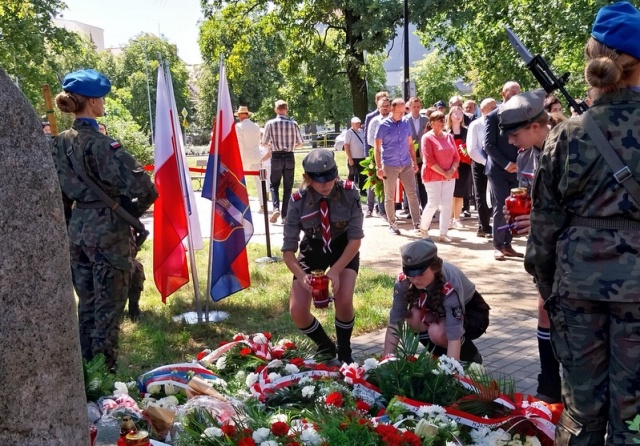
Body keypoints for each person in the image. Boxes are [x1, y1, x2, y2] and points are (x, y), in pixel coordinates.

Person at [525, 3, 640, 442]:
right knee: (635, 418)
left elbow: (542, 235)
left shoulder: (568, 133)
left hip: (576, 291)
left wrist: (550, 291)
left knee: (581, 415)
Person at [51, 69, 157, 372]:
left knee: (86, 306)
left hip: (77, 231)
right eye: (102, 99)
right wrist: (128, 216)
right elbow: (146, 189)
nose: (103, 103)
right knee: (109, 309)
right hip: (109, 233)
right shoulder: (103, 144)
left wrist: (74, 223)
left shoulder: (58, 143)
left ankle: (82, 374)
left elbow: (58, 196)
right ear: (93, 101)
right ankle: (105, 381)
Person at [497, 89, 561, 404]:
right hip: (542, 250)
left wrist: (536, 219)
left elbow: (575, 206)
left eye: (515, 133)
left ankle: (564, 384)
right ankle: (549, 382)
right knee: (544, 311)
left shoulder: (565, 148)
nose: (510, 141)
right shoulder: (526, 153)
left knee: (560, 314)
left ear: (537, 126)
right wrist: (518, 212)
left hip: (569, 248)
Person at [282, 149, 364, 364]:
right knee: (297, 310)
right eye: (318, 180)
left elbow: (355, 239)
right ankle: (326, 346)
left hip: (343, 247)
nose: (325, 184)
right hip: (313, 249)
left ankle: (345, 351)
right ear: (307, 178)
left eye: (330, 178)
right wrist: (301, 276)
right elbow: (288, 251)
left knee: (344, 299)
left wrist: (336, 271)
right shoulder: (297, 201)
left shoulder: (349, 192)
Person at [383, 239, 489, 363]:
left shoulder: (449, 283)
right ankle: (440, 357)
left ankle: (471, 358)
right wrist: (386, 361)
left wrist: (451, 370)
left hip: (472, 313)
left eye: (421, 274)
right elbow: (395, 323)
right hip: (438, 312)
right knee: (413, 317)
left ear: (434, 267)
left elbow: (454, 332)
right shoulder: (403, 282)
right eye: (410, 273)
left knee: (437, 332)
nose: (415, 280)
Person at [484, 81, 523, 260]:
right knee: (501, 205)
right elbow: (489, 145)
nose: (515, 94)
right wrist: (507, 164)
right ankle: (497, 245)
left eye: (518, 92)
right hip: (498, 170)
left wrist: (520, 163)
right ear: (503, 94)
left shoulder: (523, 115)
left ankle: (508, 244)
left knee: (515, 206)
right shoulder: (493, 117)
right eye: (512, 91)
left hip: (518, 168)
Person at [419, 111, 459, 242]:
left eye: (443, 119)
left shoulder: (449, 136)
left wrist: (451, 170)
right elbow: (429, 160)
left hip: (450, 175)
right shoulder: (427, 138)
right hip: (432, 175)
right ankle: (423, 228)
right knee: (434, 203)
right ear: (432, 123)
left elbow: (456, 157)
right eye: (439, 120)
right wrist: (444, 173)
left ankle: (443, 233)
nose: (442, 122)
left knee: (447, 204)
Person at [261, 99, 303, 224]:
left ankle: (275, 208)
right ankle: (285, 215)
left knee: (274, 185)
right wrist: (291, 146)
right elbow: (300, 143)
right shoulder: (293, 124)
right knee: (288, 186)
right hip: (289, 156)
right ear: (286, 110)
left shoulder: (270, 123)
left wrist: (271, 146)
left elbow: (264, 142)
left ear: (276, 110)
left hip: (276, 156)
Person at [467, 98, 497, 238]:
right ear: (483, 110)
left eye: (495, 107)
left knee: (495, 195)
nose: (494, 110)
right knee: (481, 195)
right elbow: (472, 149)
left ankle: (490, 224)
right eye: (490, 108)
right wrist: (486, 162)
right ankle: (484, 226)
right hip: (480, 163)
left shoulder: (498, 123)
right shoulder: (475, 125)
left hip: (497, 164)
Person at [235, 106, 265, 212]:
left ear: (241, 115)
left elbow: (240, 143)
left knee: (240, 181)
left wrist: (240, 158)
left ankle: (241, 204)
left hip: (245, 156)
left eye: (239, 115)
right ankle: (262, 204)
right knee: (259, 182)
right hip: (256, 155)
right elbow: (257, 141)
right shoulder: (256, 126)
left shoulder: (239, 126)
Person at [403, 96, 429, 210]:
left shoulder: (426, 120)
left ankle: (425, 207)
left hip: (423, 155)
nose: (416, 109)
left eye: (418, 107)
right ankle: (411, 209)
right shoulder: (405, 120)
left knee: (423, 183)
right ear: (409, 106)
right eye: (414, 107)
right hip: (409, 154)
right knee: (410, 184)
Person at [447, 105, 470, 229]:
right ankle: (449, 219)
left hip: (464, 165)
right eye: (455, 113)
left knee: (460, 193)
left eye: (460, 113)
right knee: (450, 192)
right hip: (450, 166)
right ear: (450, 116)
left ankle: (457, 218)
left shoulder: (467, 131)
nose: (458, 116)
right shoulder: (446, 132)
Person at [343, 116, 367, 193]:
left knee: (362, 175)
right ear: (352, 124)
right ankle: (349, 190)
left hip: (361, 157)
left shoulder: (361, 131)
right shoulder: (349, 132)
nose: (358, 124)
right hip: (353, 157)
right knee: (351, 174)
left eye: (359, 123)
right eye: (356, 123)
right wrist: (350, 158)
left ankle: (363, 190)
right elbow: (346, 145)